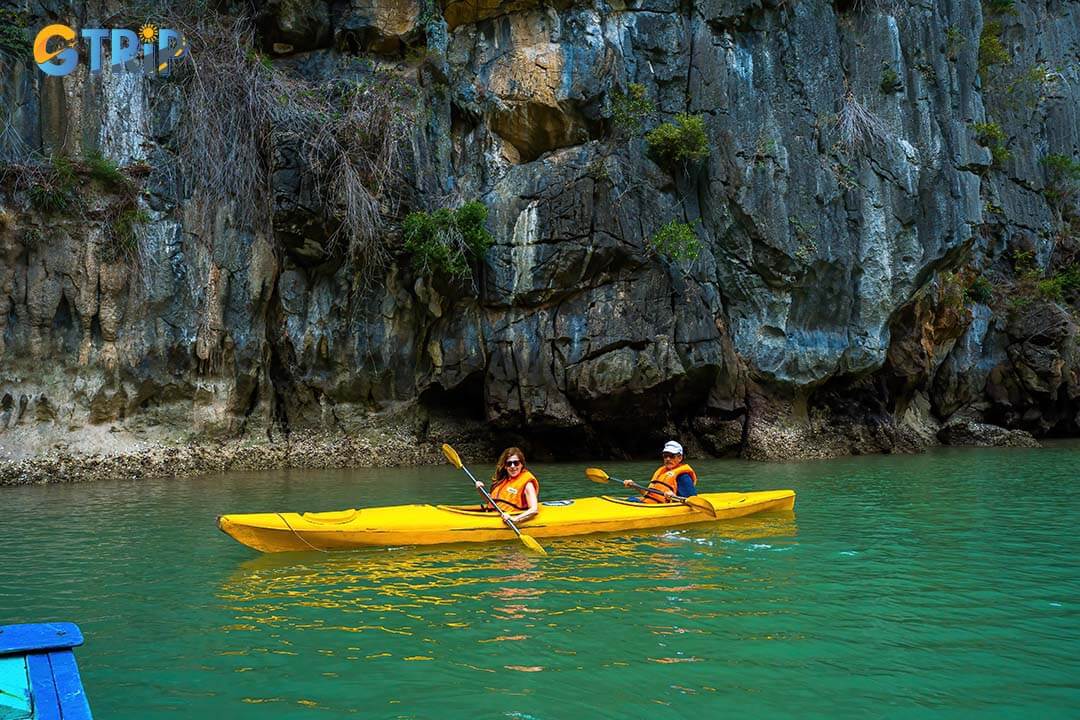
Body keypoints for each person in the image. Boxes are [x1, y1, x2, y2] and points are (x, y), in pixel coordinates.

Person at [478, 447, 540, 523]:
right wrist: (480, 490)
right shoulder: (502, 481)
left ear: (521, 465)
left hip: (510, 517)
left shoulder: (527, 484)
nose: (513, 466)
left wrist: (515, 519)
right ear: (505, 466)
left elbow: (534, 510)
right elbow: (490, 502)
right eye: (509, 463)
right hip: (491, 516)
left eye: (516, 463)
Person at [624, 440, 697, 503]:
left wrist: (674, 497)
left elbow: (691, 500)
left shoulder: (683, 476)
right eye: (665, 456)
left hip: (662, 508)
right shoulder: (661, 472)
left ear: (680, 458)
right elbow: (649, 494)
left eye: (671, 456)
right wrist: (634, 485)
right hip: (648, 502)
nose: (668, 459)